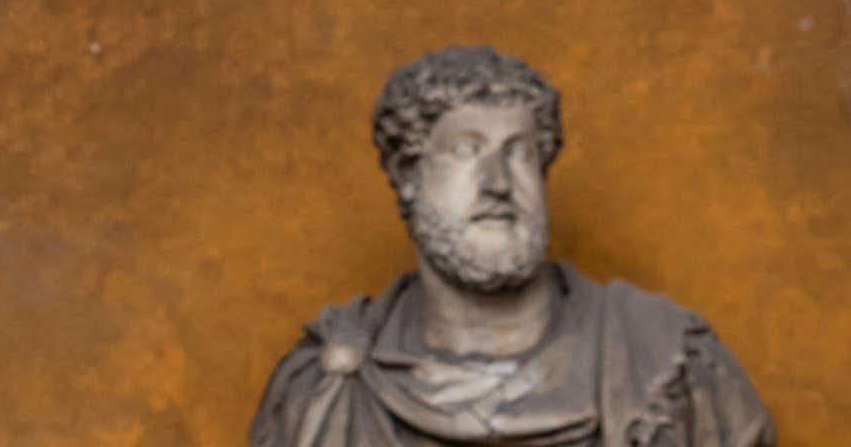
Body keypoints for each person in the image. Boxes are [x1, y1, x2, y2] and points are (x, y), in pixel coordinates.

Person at [249, 45, 773, 447]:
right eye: (466, 151)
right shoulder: (325, 387)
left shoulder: (668, 360)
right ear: (409, 174)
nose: (497, 182)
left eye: (519, 154)